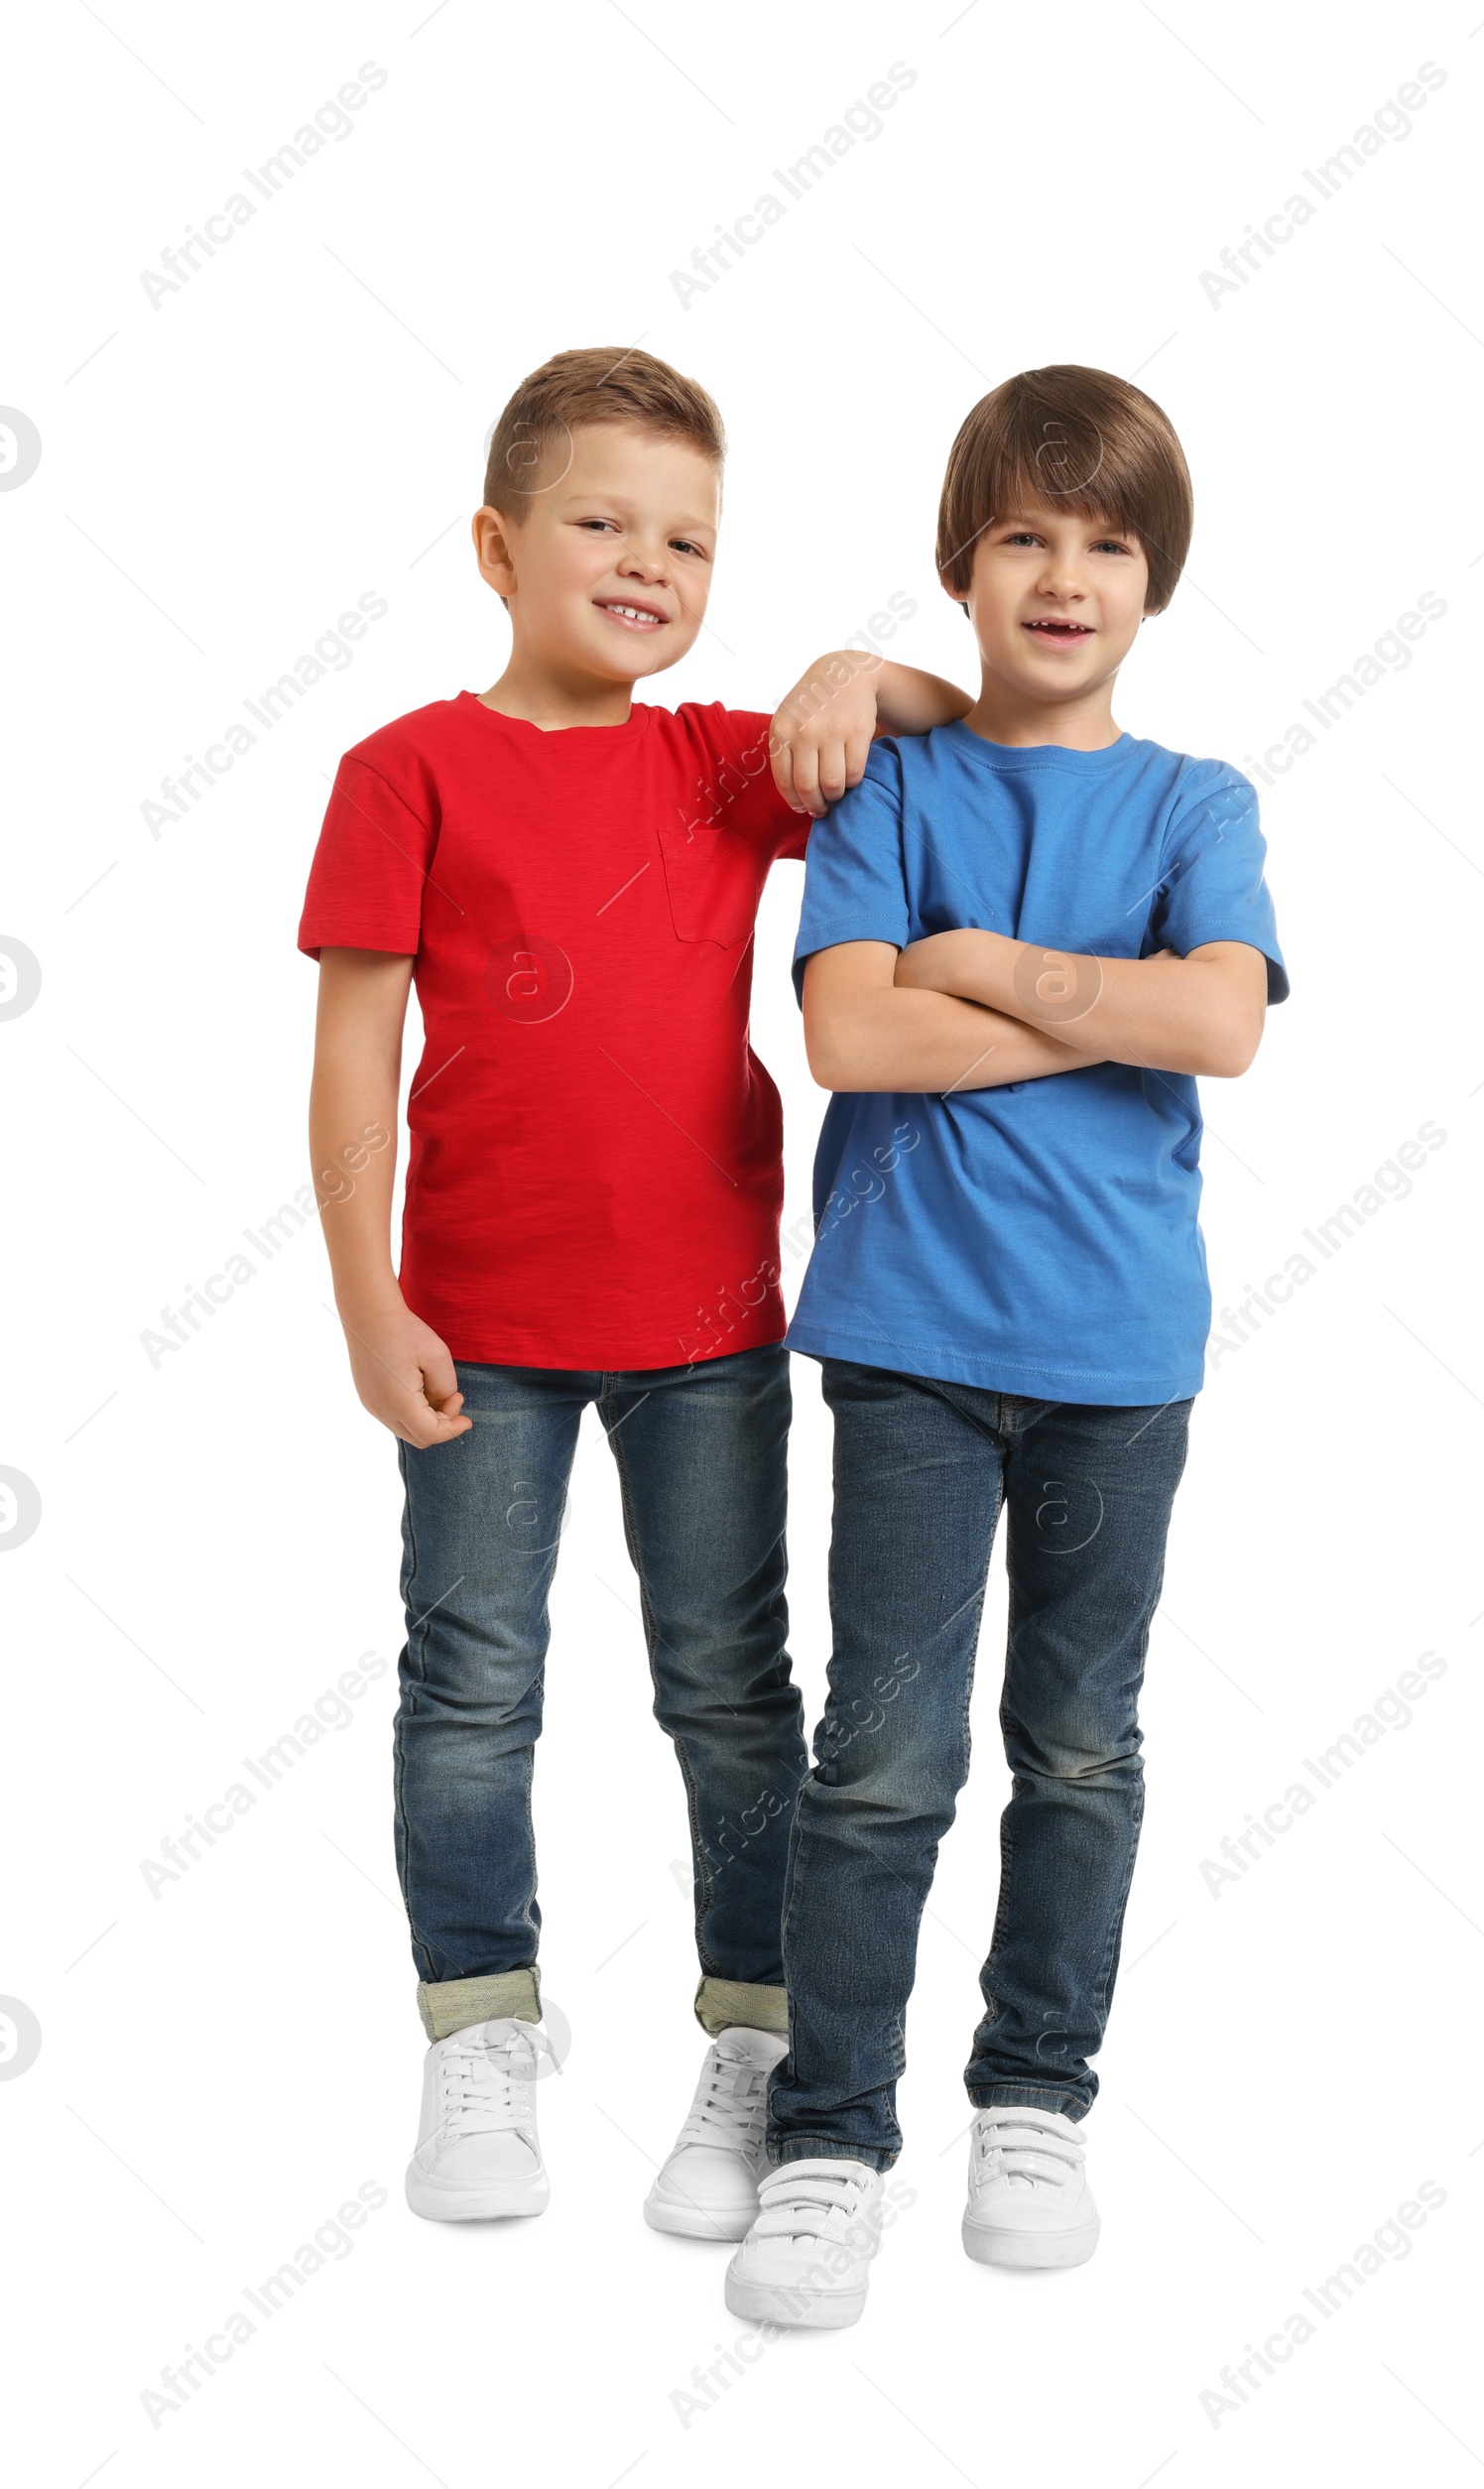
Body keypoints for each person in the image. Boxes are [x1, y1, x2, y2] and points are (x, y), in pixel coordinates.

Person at [298, 346, 969, 2241]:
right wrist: (366, 1300)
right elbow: (352, 1060)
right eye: (602, 521)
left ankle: (752, 2037)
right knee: (471, 1688)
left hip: (708, 1336)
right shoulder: (405, 769)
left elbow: (932, 719)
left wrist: (851, 669)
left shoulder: (715, 762)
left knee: (733, 1695)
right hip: (477, 1329)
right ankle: (479, 2024)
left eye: (689, 537)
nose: (648, 563)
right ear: (500, 547)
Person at [725, 363, 1289, 2327]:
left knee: (1076, 1745)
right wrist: (1098, 1002)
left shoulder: (1192, 800)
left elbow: (1222, 1024)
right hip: (902, 1340)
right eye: (1024, 536)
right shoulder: (894, 778)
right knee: (875, 1757)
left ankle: (1032, 2094)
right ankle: (826, 2132)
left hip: (1117, 1354)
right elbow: (849, 1039)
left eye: (1106, 543)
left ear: (1155, 582)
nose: (1064, 575)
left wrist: (977, 962)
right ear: (960, 565)